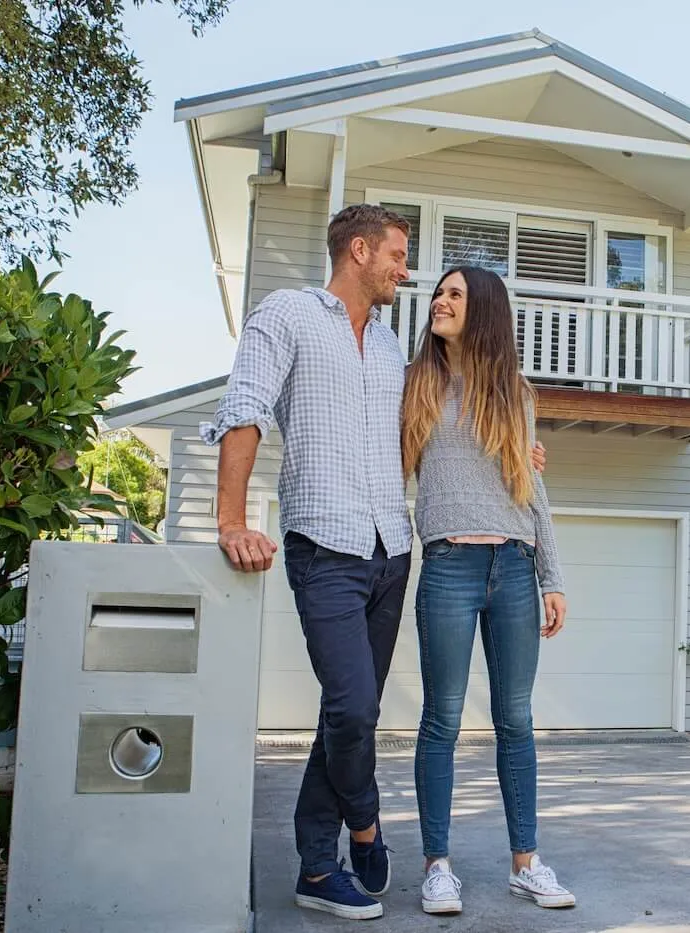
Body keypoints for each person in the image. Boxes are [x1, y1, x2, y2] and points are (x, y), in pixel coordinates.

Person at [204, 208, 547, 921]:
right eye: (397, 253)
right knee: (356, 705)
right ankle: (363, 823)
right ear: (359, 251)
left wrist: (522, 460)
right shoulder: (289, 313)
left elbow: (446, 437)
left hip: (391, 552)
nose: (407, 270)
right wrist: (231, 519)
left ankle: (316, 865)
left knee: (344, 710)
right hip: (323, 547)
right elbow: (245, 408)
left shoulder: (396, 352)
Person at [400, 265, 576, 916]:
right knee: (442, 718)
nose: (440, 301)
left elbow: (534, 489)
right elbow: (387, 466)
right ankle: (437, 866)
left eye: (456, 294)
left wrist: (552, 575)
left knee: (516, 721)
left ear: (485, 312)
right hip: (447, 563)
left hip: (515, 567)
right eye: (439, 293)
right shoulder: (416, 383)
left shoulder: (514, 392)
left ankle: (525, 863)